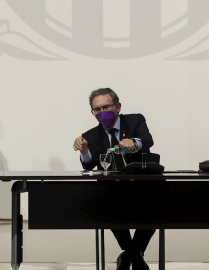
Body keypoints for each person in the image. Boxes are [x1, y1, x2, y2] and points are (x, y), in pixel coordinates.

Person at [72, 88, 155, 270]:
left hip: (142, 187)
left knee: (157, 201)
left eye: (106, 107)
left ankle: (130, 254)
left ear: (118, 107)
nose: (102, 113)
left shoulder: (135, 120)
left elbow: (147, 141)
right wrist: (84, 150)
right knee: (105, 201)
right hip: (113, 191)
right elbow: (88, 165)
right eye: (97, 110)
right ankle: (136, 255)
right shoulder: (90, 135)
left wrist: (133, 143)